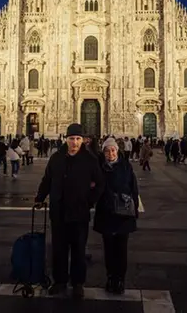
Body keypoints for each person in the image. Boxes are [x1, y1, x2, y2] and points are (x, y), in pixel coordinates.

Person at [34, 123, 104, 300]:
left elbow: (100, 184)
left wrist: (89, 201)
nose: (74, 142)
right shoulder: (56, 158)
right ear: (66, 139)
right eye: (72, 138)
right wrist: (40, 198)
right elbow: (47, 179)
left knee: (79, 249)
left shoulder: (90, 160)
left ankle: (78, 283)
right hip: (59, 211)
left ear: (83, 140)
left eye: (78, 139)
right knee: (59, 249)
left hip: (79, 212)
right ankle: (60, 281)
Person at [94, 138, 139, 294]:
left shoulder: (126, 167)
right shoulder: (98, 168)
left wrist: (134, 210)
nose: (110, 153)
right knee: (108, 249)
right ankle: (111, 277)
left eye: (113, 150)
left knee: (121, 249)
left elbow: (134, 189)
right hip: (106, 213)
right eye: (107, 151)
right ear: (103, 152)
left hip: (123, 214)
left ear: (117, 151)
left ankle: (120, 279)